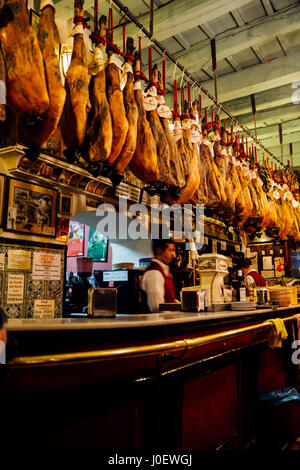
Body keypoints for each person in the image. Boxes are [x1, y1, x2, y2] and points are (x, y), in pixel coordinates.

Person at [141, 239, 178, 313]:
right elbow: (156, 306)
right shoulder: (154, 273)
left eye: (173, 251)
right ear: (159, 250)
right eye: (170, 250)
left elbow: (170, 299)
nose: (173, 254)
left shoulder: (164, 271)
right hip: (159, 322)